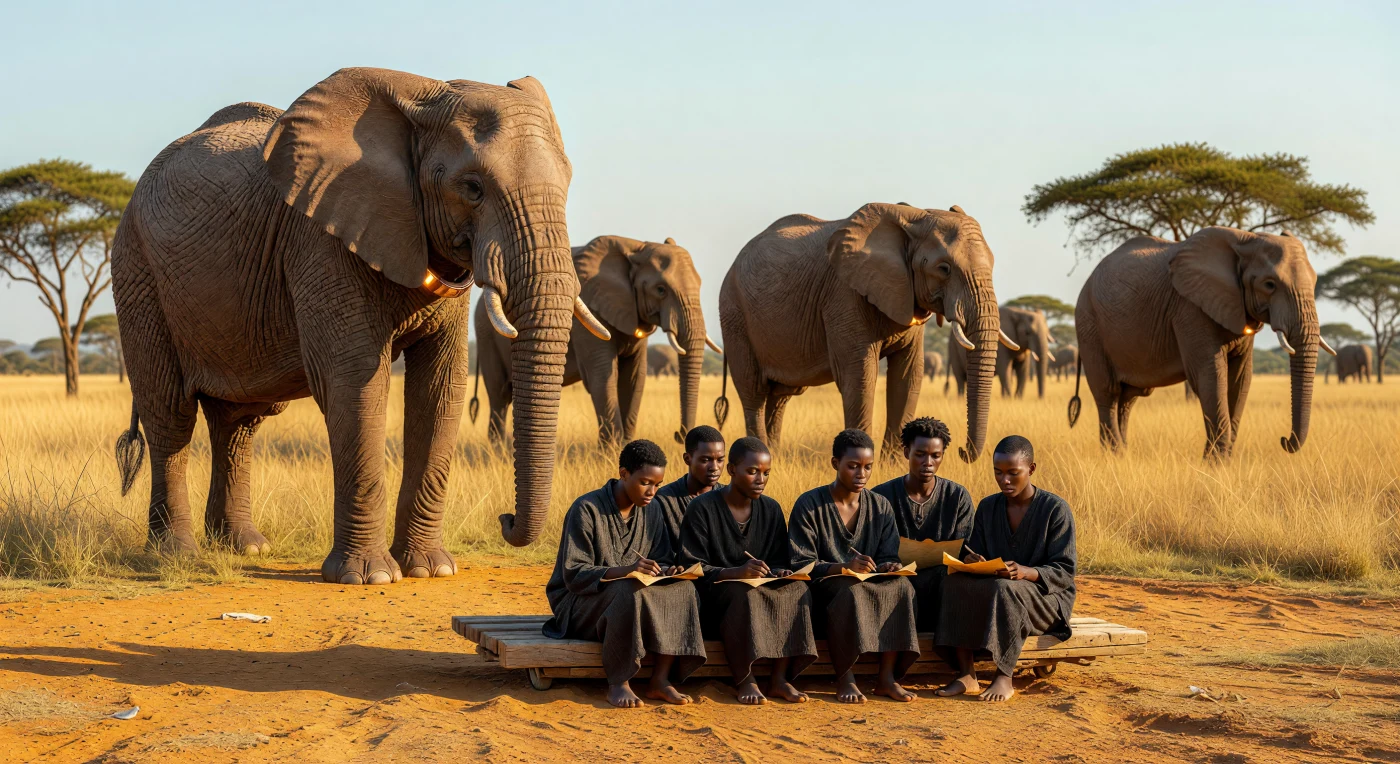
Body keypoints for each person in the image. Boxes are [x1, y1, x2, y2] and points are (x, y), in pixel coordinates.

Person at [543, 439, 706, 709]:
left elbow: (662, 556)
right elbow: (574, 573)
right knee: (627, 590)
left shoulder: (652, 509)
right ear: (624, 473)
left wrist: (669, 569)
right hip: (578, 603)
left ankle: (660, 680)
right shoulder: (586, 509)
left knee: (684, 588)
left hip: (634, 596)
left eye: (658, 485)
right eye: (645, 483)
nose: (652, 491)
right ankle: (619, 682)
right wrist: (627, 571)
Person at [935, 435, 1076, 703]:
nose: (1005, 481)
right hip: (998, 591)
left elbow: (1065, 571)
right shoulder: (989, 507)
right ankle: (967, 674)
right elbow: (976, 552)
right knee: (952, 582)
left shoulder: (1055, 510)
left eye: (1013, 473)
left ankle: (1004, 675)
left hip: (1047, 601)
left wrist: (1025, 571)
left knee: (1005, 589)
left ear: (1031, 469)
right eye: (998, 473)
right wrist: (972, 561)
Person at [679, 436, 816, 705]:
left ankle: (779, 679)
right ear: (731, 470)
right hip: (715, 592)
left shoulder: (771, 508)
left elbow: (779, 559)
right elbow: (690, 566)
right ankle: (746, 678)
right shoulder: (702, 508)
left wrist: (780, 573)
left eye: (766, 473)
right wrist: (736, 572)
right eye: (752, 471)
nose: (760, 479)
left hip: (758, 586)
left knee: (797, 589)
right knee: (746, 595)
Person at [789, 429, 920, 704]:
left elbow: (887, 553)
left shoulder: (881, 506)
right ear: (836, 463)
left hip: (869, 581)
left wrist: (889, 566)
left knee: (903, 587)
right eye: (853, 466)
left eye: (868, 467)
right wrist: (844, 567)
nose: (862, 473)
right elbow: (801, 563)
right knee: (851, 592)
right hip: (826, 584)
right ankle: (845, 676)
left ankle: (886, 678)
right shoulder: (809, 504)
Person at [871, 417, 975, 631]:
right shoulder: (881, 496)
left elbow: (964, 548)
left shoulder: (957, 496)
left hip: (943, 582)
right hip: (896, 580)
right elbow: (874, 547)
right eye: (920, 454)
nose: (928, 462)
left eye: (935, 455)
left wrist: (970, 558)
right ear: (906, 452)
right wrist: (887, 564)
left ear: (942, 456)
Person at [654, 425, 726, 551]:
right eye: (706, 460)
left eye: (720, 460)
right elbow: (660, 552)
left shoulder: (729, 498)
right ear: (688, 459)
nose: (715, 467)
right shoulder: (664, 500)